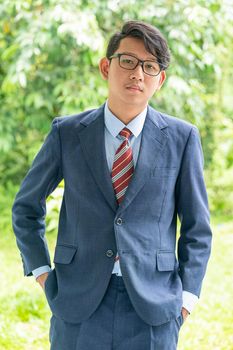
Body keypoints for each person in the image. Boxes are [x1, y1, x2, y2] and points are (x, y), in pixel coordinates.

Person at [12, 20, 212, 350]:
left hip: (153, 306)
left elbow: (198, 227)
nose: (138, 74)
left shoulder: (182, 138)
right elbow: (25, 207)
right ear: (107, 66)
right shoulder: (67, 133)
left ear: (159, 80)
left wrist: (187, 298)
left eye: (150, 67)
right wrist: (42, 273)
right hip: (77, 301)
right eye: (128, 61)